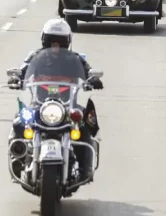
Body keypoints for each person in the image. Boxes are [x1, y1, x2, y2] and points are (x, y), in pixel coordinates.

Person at [7, 19, 103, 181]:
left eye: (60, 42)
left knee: (85, 124)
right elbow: (23, 70)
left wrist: (93, 79)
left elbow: (87, 70)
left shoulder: (75, 58)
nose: (55, 45)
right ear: (45, 40)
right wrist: (16, 78)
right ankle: (18, 158)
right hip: (39, 105)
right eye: (51, 41)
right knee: (19, 121)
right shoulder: (35, 56)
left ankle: (85, 168)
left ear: (67, 42)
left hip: (67, 105)